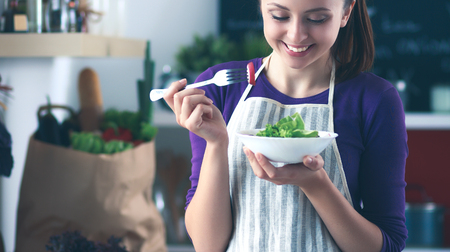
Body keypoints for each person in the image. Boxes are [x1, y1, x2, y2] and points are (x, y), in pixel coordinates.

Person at [163, 0, 408, 251]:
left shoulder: (375, 99)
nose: (296, 35)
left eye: (316, 19)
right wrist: (216, 143)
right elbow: (208, 245)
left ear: (346, 13)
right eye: (279, 16)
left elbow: (387, 245)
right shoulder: (220, 89)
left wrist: (316, 185)